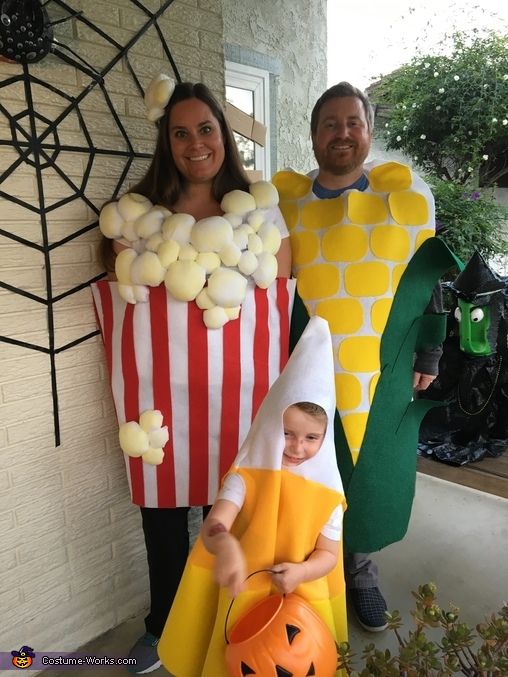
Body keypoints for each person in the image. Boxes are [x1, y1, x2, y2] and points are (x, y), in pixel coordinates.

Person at [95, 80, 292, 674]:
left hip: (238, 393)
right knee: (160, 515)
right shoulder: (142, 217)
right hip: (161, 401)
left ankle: (223, 617)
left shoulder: (259, 214)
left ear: (224, 136)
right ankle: (162, 625)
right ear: (166, 140)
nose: (194, 143)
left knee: (228, 511)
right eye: (180, 132)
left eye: (205, 129)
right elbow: (116, 285)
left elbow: (280, 293)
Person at [273, 82, 455, 633]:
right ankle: (307, 571)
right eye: (330, 124)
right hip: (304, 362)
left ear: (369, 131)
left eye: (353, 122)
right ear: (313, 136)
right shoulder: (285, 202)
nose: (342, 133)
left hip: (380, 364)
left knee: (369, 470)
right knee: (306, 468)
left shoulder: (402, 199)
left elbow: (429, 278)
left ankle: (360, 570)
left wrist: (430, 349)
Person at [157, 316, 347, 677]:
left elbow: (329, 555)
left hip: (301, 596)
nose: (296, 447)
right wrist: (225, 546)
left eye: (310, 438)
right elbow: (216, 523)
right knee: (235, 660)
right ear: (268, 424)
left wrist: (304, 570)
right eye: (287, 432)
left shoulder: (329, 495)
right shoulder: (246, 477)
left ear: (325, 439)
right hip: (241, 591)